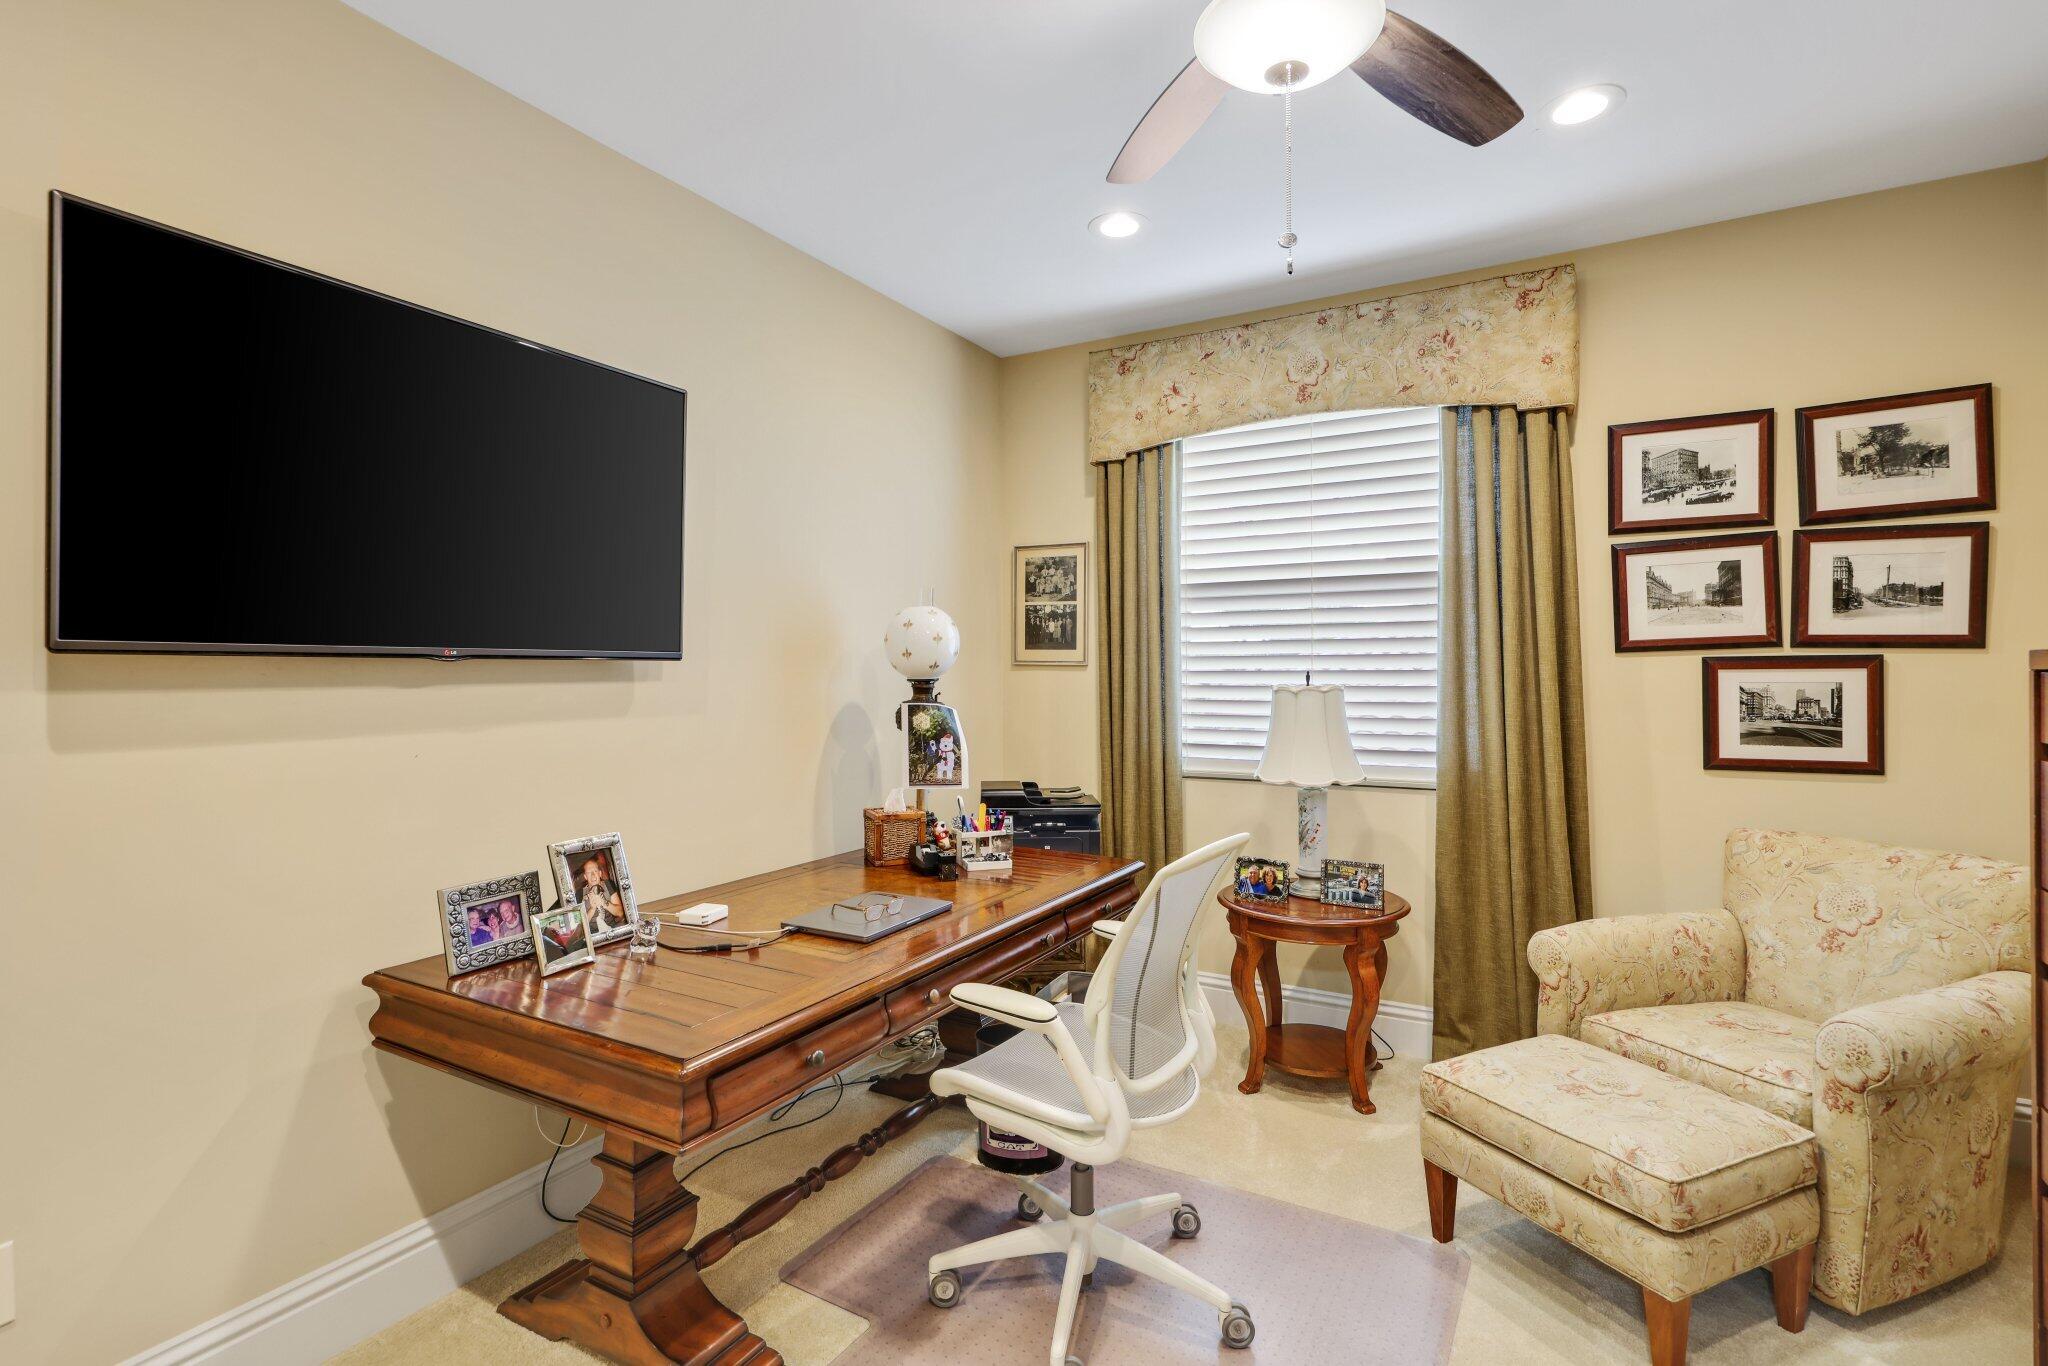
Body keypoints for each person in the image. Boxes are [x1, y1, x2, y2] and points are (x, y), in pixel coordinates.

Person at [578, 855, 625, 933]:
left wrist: (604, 903)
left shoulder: (609, 885)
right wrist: (592, 909)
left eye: (595, 871)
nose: (593, 875)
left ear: (600, 873)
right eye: (589, 872)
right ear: (585, 877)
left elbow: (620, 913)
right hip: (592, 934)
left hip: (613, 928)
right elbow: (580, 926)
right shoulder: (579, 894)